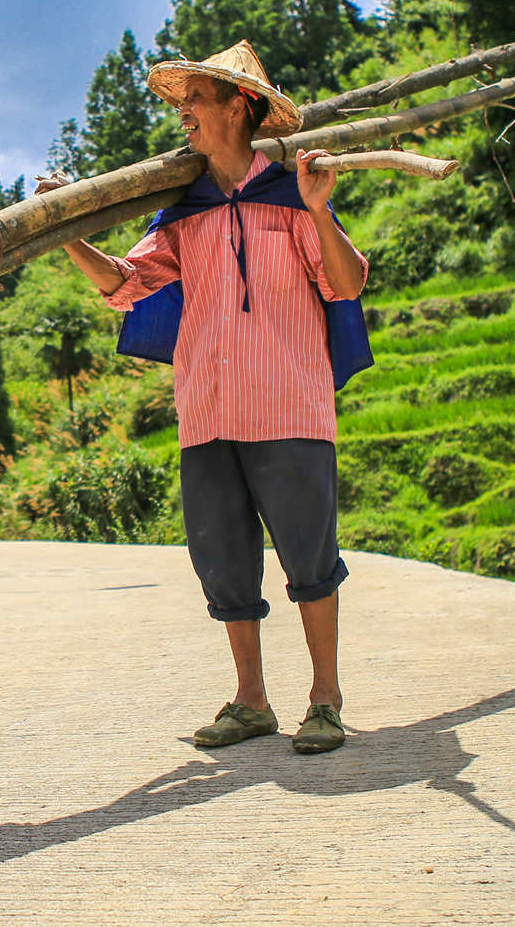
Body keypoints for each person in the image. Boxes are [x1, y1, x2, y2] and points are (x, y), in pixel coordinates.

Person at [38, 41, 367, 755]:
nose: (183, 112)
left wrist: (320, 210)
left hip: (289, 404)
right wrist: (65, 232)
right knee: (222, 556)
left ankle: (325, 696)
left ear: (240, 105)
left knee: (309, 553)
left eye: (197, 99)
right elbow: (128, 284)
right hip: (209, 409)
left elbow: (345, 282)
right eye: (181, 100)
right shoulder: (182, 210)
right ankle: (252, 700)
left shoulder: (291, 196)